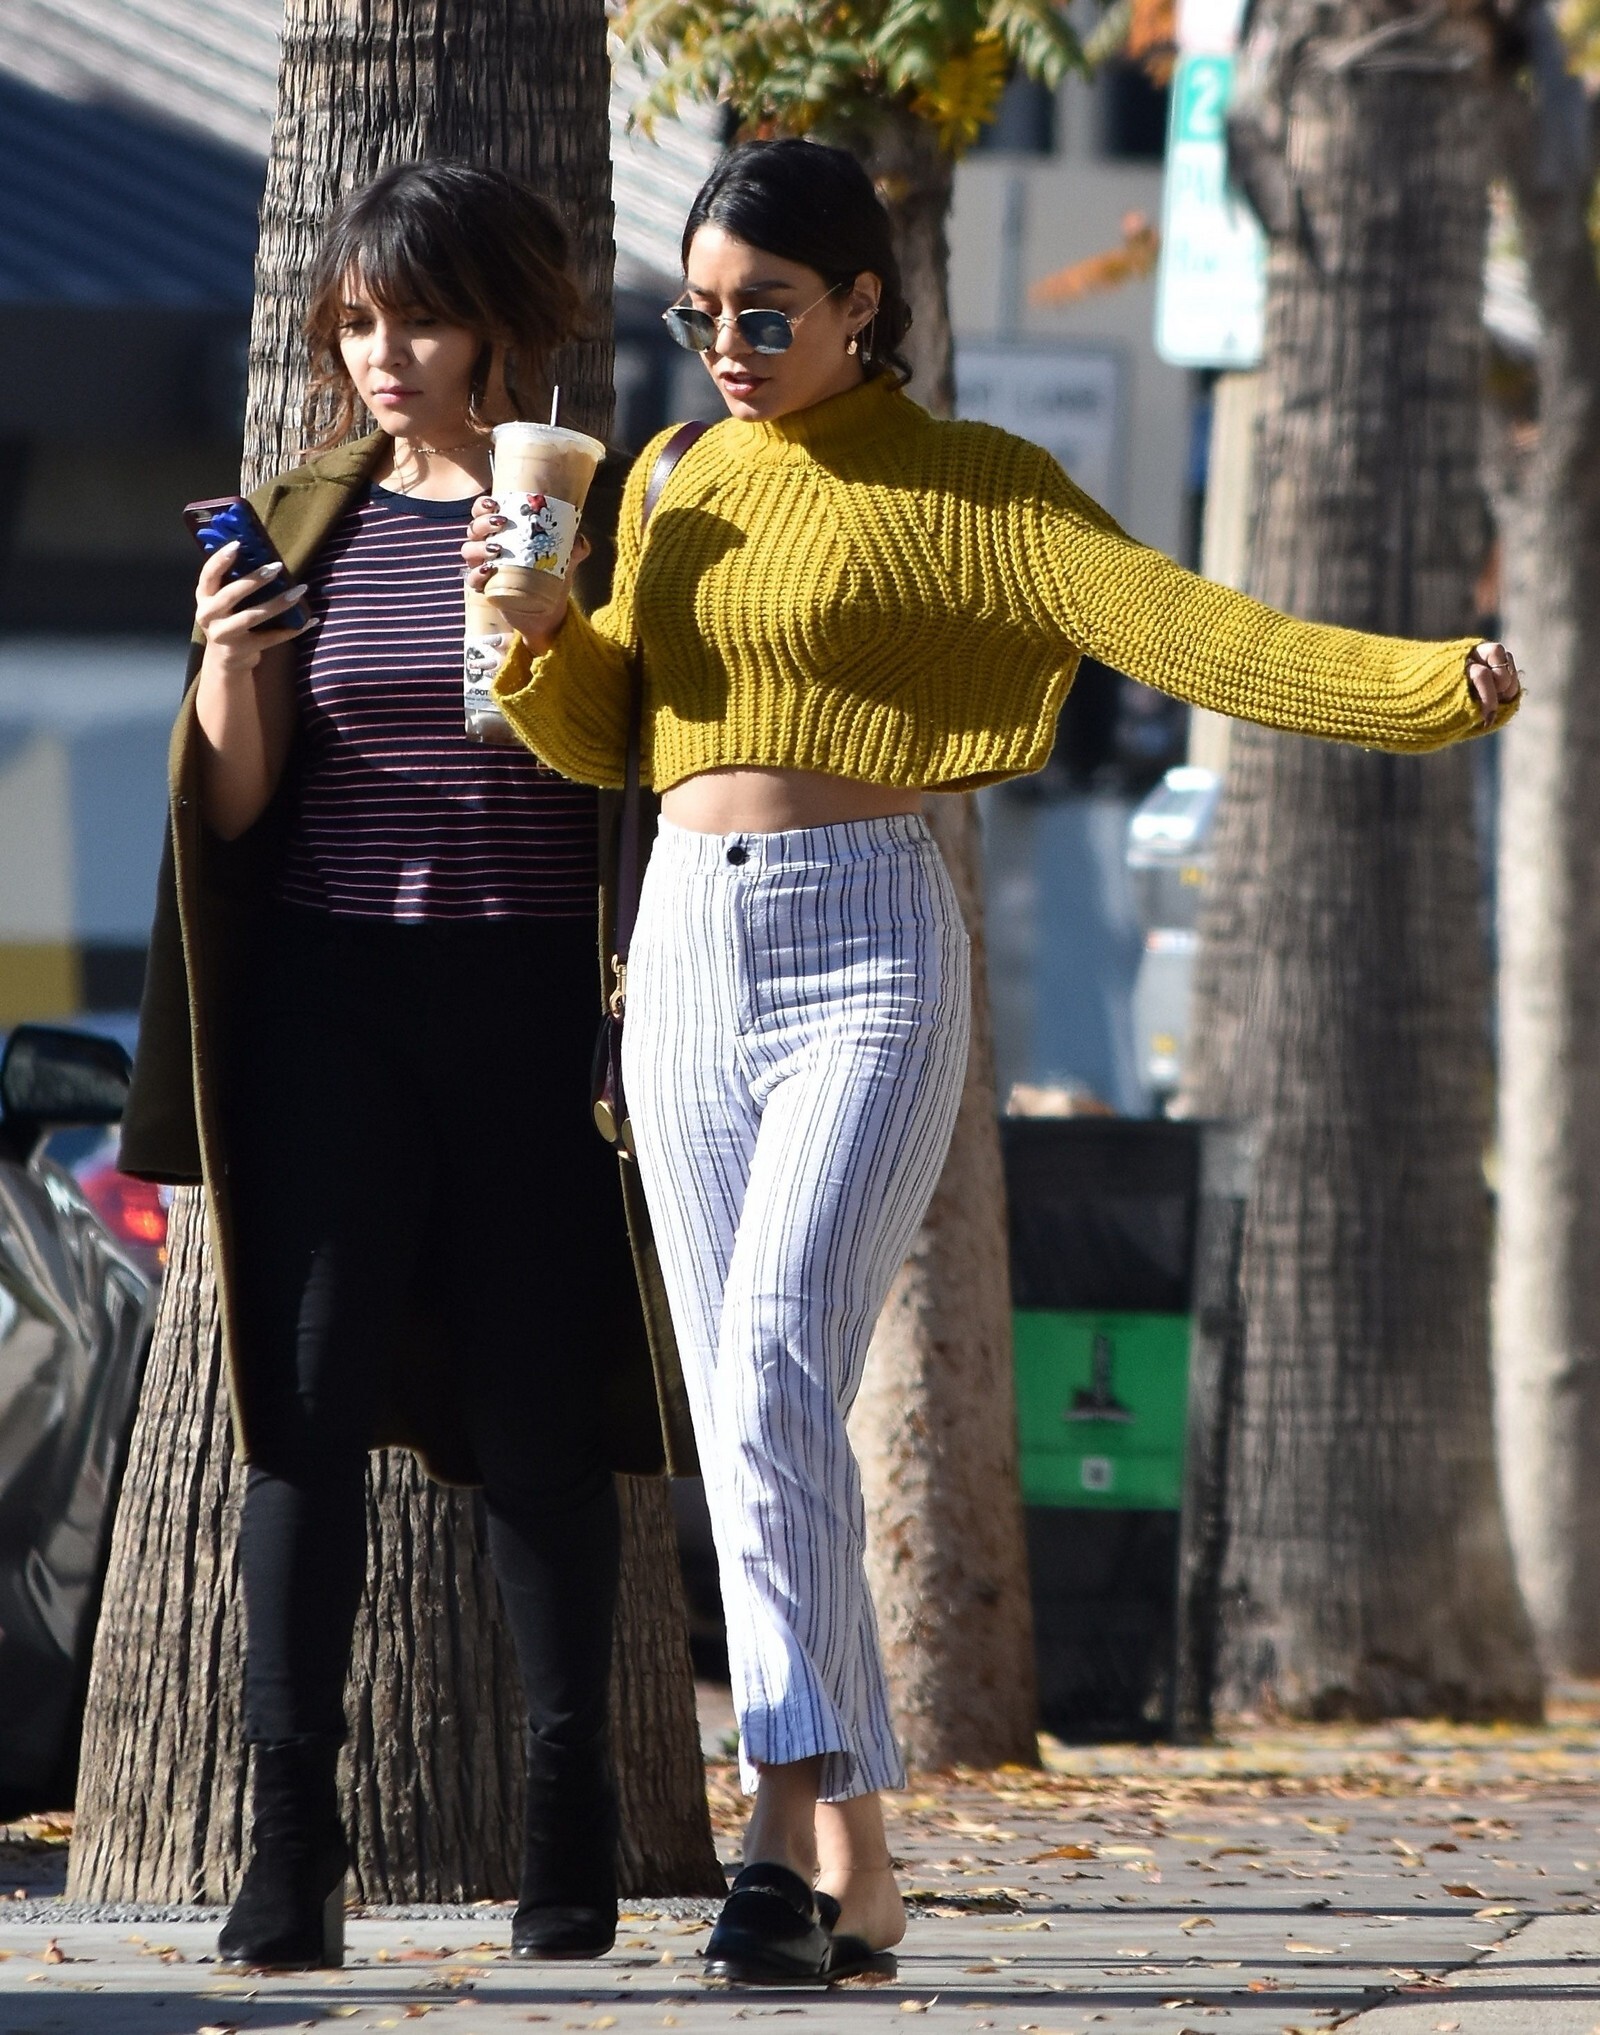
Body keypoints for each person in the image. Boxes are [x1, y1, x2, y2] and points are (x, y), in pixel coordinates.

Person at [465, 136, 1521, 1987]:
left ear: (866, 303)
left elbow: (1195, 630)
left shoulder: (975, 491)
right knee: (756, 1410)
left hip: (870, 941)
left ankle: (774, 1836)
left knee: (776, 1356)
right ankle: (863, 1868)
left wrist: (1427, 687)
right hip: (689, 944)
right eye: (700, 316)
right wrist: (537, 633)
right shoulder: (674, 476)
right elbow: (614, 727)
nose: (727, 347)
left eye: (767, 312)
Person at [120, 159, 693, 1973]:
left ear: (509, 326)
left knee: (539, 1431)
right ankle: (291, 1849)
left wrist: (561, 614)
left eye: (423, 321)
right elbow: (234, 813)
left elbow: (640, 754)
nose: (387, 356)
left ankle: (569, 1834)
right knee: (298, 1421)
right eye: (359, 322)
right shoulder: (307, 516)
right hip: (331, 1013)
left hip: (533, 1009)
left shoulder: (607, 514)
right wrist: (227, 668)